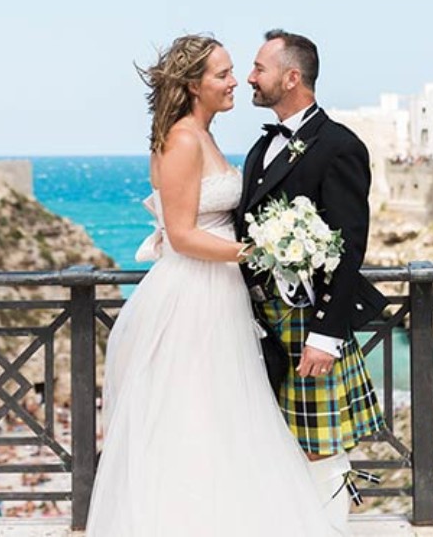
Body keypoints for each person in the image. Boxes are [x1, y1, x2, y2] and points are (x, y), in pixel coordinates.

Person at [86, 34, 340, 537]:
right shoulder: (183, 139)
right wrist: (261, 251)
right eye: (223, 74)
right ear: (193, 85)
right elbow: (182, 235)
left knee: (221, 412)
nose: (235, 82)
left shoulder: (203, 134)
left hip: (219, 290)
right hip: (193, 293)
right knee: (194, 412)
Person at [236, 29, 388, 532]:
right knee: (278, 438)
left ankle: (330, 529)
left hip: (308, 322)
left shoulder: (340, 146)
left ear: (291, 77)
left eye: (259, 68)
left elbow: (348, 247)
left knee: (319, 443)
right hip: (263, 321)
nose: (250, 77)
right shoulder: (263, 146)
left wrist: (326, 334)